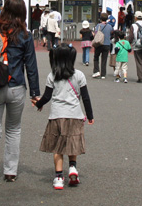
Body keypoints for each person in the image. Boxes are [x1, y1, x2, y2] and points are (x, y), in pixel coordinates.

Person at [0, 0, 41, 190]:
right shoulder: (25, 35)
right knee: (13, 130)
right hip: (16, 87)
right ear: (22, 13)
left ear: (4, 10)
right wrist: (35, 93)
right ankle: (10, 172)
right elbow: (31, 66)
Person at [33, 43, 94, 190]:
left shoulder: (52, 75)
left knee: (57, 148)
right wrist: (90, 115)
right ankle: (72, 168)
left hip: (57, 116)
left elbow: (47, 96)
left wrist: (38, 103)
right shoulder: (79, 75)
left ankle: (59, 177)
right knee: (72, 144)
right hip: (75, 115)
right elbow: (85, 97)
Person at [128, 11, 142, 83]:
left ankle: (141, 78)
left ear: (135, 17)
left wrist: (129, 44)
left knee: (139, 62)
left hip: (137, 46)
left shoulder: (133, 26)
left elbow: (131, 37)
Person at [91, 13, 113, 80]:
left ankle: (96, 71)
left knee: (96, 57)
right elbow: (112, 34)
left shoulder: (98, 25)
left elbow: (96, 33)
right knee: (104, 59)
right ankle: (103, 74)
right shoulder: (110, 26)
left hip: (99, 44)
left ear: (100, 18)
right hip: (107, 44)